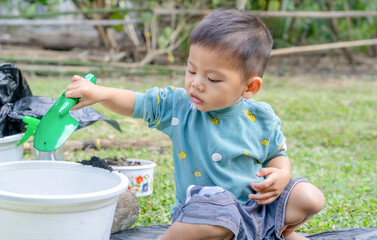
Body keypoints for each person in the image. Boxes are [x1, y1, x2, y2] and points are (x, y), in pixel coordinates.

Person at [66, 9, 325, 240]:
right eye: (191, 71)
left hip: (256, 209)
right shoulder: (180, 107)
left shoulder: (262, 117)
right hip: (205, 214)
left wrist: (282, 174)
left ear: (250, 87)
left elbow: (276, 155)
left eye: (213, 79)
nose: (196, 83)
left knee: (310, 197)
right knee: (217, 213)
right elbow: (137, 103)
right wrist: (100, 93)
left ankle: (275, 232)